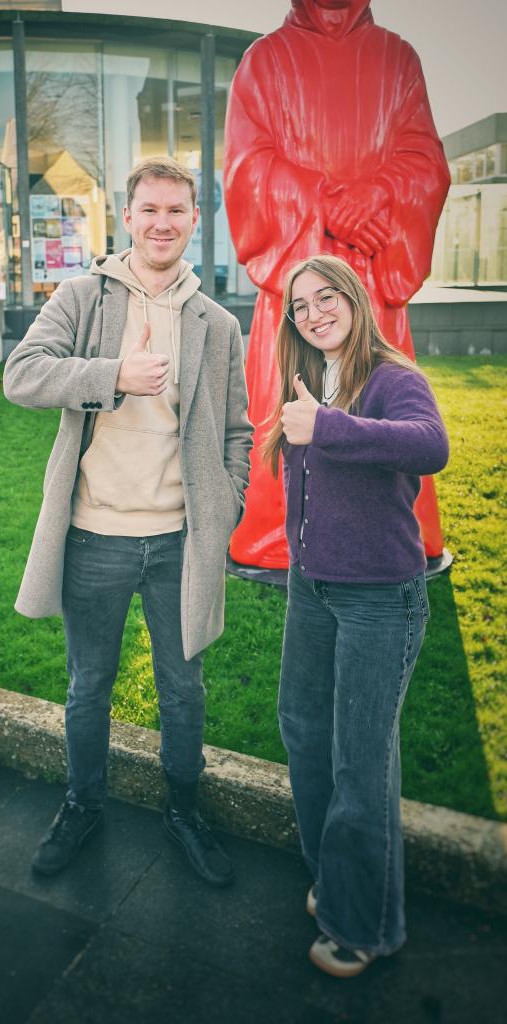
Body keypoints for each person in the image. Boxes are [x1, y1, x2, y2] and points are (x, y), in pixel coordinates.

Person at [3, 155, 253, 885]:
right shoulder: (83, 297)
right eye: (150, 209)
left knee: (184, 689)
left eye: (176, 210)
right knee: (89, 686)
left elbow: (237, 431)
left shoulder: (216, 324)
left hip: (180, 541)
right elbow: (22, 374)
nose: (162, 223)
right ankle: (83, 806)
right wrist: (113, 373)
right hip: (95, 538)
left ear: (195, 219)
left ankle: (184, 812)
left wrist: (227, 504)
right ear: (127, 216)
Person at [224, 0, 450, 573]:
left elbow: (425, 161)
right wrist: (325, 200)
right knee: (287, 400)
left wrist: (376, 196)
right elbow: (246, 166)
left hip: (370, 277)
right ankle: (279, 532)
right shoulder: (264, 61)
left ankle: (392, 530)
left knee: (382, 398)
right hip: (295, 282)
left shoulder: (397, 59)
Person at [261, 253, 449, 977]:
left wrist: (327, 427)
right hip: (312, 589)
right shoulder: (310, 380)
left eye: (326, 297)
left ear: (354, 298)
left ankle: (361, 925)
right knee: (304, 733)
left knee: (359, 763)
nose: (314, 313)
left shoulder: (392, 377)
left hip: (378, 598)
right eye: (300, 305)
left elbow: (431, 445)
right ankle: (336, 881)